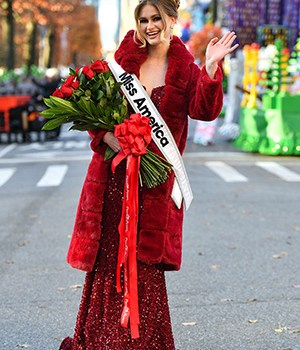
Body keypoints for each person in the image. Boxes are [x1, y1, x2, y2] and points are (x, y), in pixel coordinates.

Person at [59, 0, 238, 349]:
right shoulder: (123, 59)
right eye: (143, 19)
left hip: (153, 187)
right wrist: (107, 135)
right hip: (114, 180)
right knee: (108, 259)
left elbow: (204, 110)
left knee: (145, 263)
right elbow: (96, 113)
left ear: (172, 19)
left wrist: (212, 68)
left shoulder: (185, 67)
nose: (150, 25)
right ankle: (100, 341)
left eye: (157, 18)